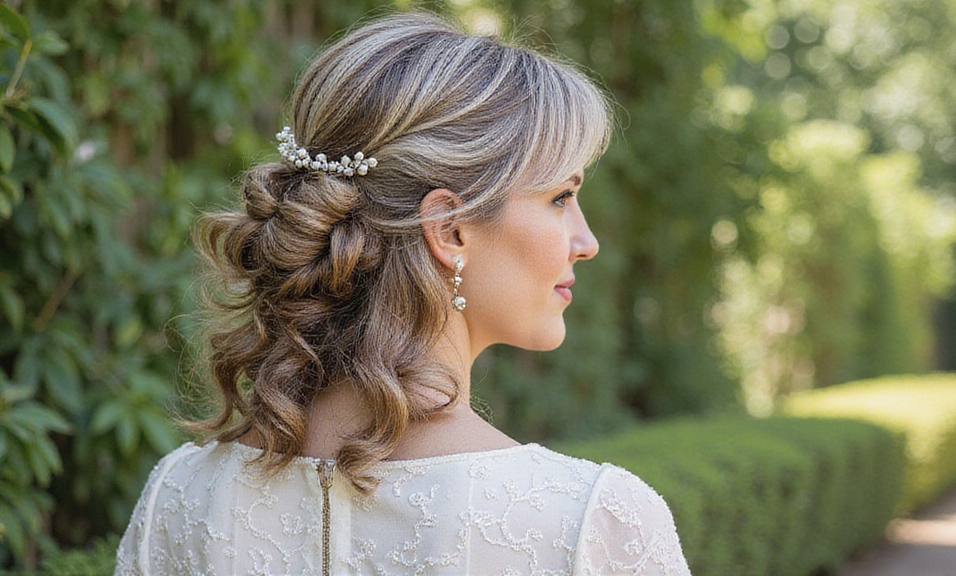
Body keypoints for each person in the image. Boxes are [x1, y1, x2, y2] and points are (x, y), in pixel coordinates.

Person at [115, 11, 690, 576]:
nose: (585, 242)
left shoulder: (179, 496)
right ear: (449, 229)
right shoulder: (591, 525)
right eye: (560, 198)